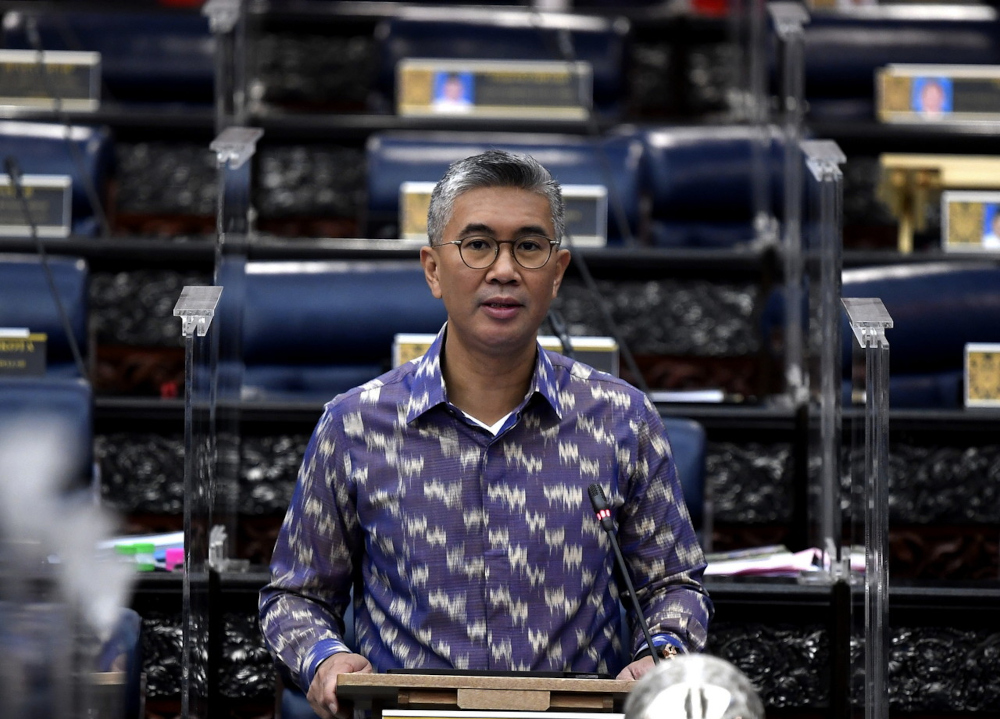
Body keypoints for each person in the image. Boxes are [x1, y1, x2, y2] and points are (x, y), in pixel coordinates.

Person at [259, 150, 713, 719]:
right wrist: (325, 658)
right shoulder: (355, 425)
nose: (504, 270)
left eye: (528, 246)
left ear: (558, 272)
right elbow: (295, 597)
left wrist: (662, 652)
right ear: (432, 268)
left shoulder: (620, 419)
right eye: (477, 245)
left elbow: (673, 586)